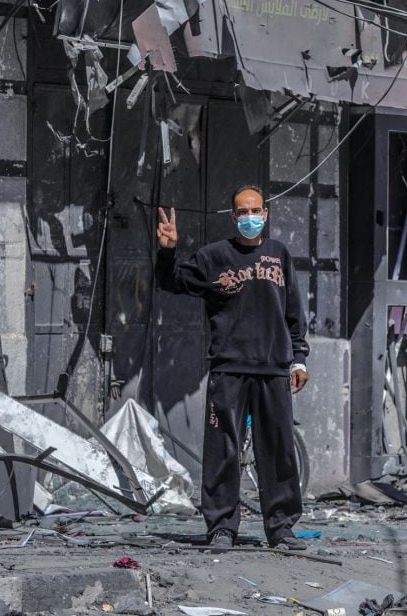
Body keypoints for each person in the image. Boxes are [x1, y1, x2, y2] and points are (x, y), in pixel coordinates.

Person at [156, 185, 310, 553]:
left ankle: (282, 528)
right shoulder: (215, 257)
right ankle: (222, 527)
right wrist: (167, 251)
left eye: (256, 210)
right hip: (229, 367)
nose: (250, 218)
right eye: (243, 212)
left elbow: (293, 310)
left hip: (274, 367)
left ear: (267, 214)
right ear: (233, 217)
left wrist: (300, 356)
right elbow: (172, 282)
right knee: (223, 449)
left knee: (277, 449)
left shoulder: (279, 255)